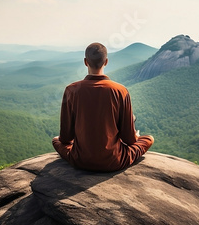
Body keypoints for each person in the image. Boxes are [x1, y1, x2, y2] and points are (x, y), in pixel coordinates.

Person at [52, 42, 154, 172]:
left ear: (85, 62)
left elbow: (66, 138)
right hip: (114, 161)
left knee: (56, 140)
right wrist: (135, 134)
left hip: (80, 160)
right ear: (106, 62)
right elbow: (129, 140)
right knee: (149, 139)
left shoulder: (71, 90)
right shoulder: (121, 91)